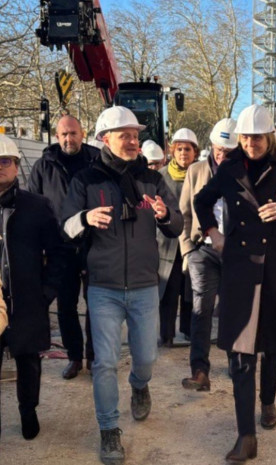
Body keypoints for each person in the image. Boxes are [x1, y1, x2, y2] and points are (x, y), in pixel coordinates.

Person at [193, 104, 276, 463]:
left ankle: (268, 402)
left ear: (269, 138)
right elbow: (202, 201)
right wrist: (213, 233)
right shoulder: (229, 169)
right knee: (241, 352)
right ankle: (246, 435)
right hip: (240, 269)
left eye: (257, 137)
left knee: (272, 343)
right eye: (245, 137)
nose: (250, 143)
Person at [62, 106, 182, 465]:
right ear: (104, 139)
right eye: (124, 134)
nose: (133, 141)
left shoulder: (152, 180)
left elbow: (176, 225)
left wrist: (164, 215)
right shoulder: (86, 179)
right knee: (104, 363)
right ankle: (109, 430)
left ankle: (140, 385)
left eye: (135, 134)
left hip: (146, 285)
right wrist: (84, 218)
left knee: (146, 357)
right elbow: (64, 228)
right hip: (104, 287)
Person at [0, 135, 65, 440]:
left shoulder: (36, 207)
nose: (0, 168)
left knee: (28, 361)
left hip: (27, 299)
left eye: (5, 162)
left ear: (16, 166)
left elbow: (57, 253)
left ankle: (28, 410)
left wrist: (45, 293)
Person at [28, 114, 99, 380]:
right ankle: (73, 357)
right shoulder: (43, 166)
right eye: (64, 134)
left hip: (94, 244)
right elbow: (33, 208)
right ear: (57, 137)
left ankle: (94, 356)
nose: (69, 138)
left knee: (97, 304)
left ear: (82, 133)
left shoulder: (96, 161)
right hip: (60, 247)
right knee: (66, 306)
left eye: (73, 133)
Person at [179, 118, 237, 391]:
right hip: (202, 250)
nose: (222, 155)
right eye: (218, 149)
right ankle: (200, 370)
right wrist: (188, 251)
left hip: (235, 252)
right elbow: (184, 213)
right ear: (211, 145)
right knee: (201, 309)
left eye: (228, 151)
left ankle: (236, 362)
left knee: (232, 309)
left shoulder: (242, 172)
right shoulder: (196, 171)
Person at [157, 128, 199, 346]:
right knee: (169, 290)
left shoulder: (202, 174)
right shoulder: (161, 176)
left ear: (195, 152)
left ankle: (189, 330)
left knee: (191, 290)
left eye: (188, 149)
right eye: (180, 148)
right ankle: (166, 334)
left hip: (193, 242)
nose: (183, 153)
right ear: (173, 151)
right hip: (167, 243)